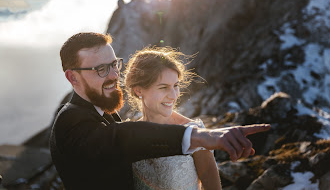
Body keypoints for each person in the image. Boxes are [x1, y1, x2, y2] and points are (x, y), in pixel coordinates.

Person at [49, 32, 270, 190]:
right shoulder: (71, 120)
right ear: (72, 77)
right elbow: (121, 137)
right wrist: (201, 136)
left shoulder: (104, 111)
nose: (114, 75)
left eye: (114, 64)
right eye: (100, 69)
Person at [124, 47, 222, 189]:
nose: (173, 95)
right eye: (163, 87)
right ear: (138, 90)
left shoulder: (195, 133)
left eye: (176, 86)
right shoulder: (129, 134)